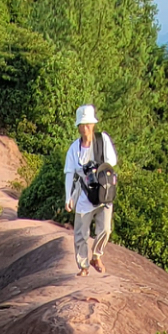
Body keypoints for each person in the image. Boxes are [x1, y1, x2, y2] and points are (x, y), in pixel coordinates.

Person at [64, 104, 117, 275]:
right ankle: (84, 266)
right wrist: (68, 197)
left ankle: (96, 255)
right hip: (84, 192)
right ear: (78, 127)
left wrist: (97, 170)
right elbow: (69, 173)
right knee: (81, 232)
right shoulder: (75, 148)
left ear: (93, 125)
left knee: (105, 229)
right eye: (82, 125)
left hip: (102, 191)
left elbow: (112, 162)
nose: (85, 128)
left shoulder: (103, 140)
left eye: (88, 124)